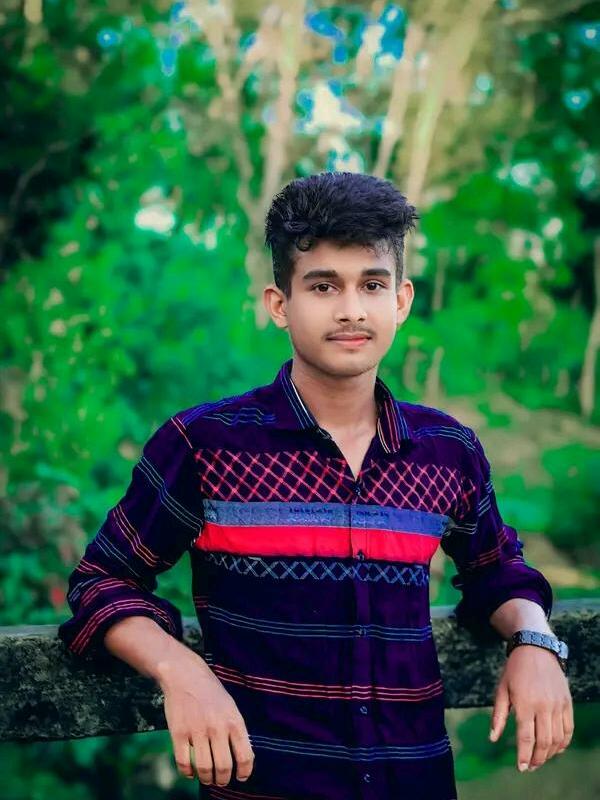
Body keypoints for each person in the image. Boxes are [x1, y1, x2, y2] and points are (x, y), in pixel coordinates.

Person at [58, 171, 573, 800]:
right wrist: (179, 669)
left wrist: (534, 641)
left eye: (372, 285)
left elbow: (498, 571)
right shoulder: (205, 444)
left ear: (401, 300)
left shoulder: (447, 450)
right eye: (324, 286)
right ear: (280, 304)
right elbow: (102, 581)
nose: (351, 309)